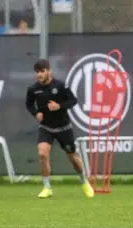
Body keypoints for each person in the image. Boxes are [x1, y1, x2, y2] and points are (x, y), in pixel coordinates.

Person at [25, 59, 94, 198]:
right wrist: (36, 113)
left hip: (63, 128)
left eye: (42, 71)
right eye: (37, 72)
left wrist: (59, 106)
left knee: (73, 159)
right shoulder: (33, 89)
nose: (39, 74)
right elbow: (29, 104)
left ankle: (84, 181)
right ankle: (47, 187)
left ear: (49, 71)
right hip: (46, 127)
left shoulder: (61, 85)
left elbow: (73, 101)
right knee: (42, 154)